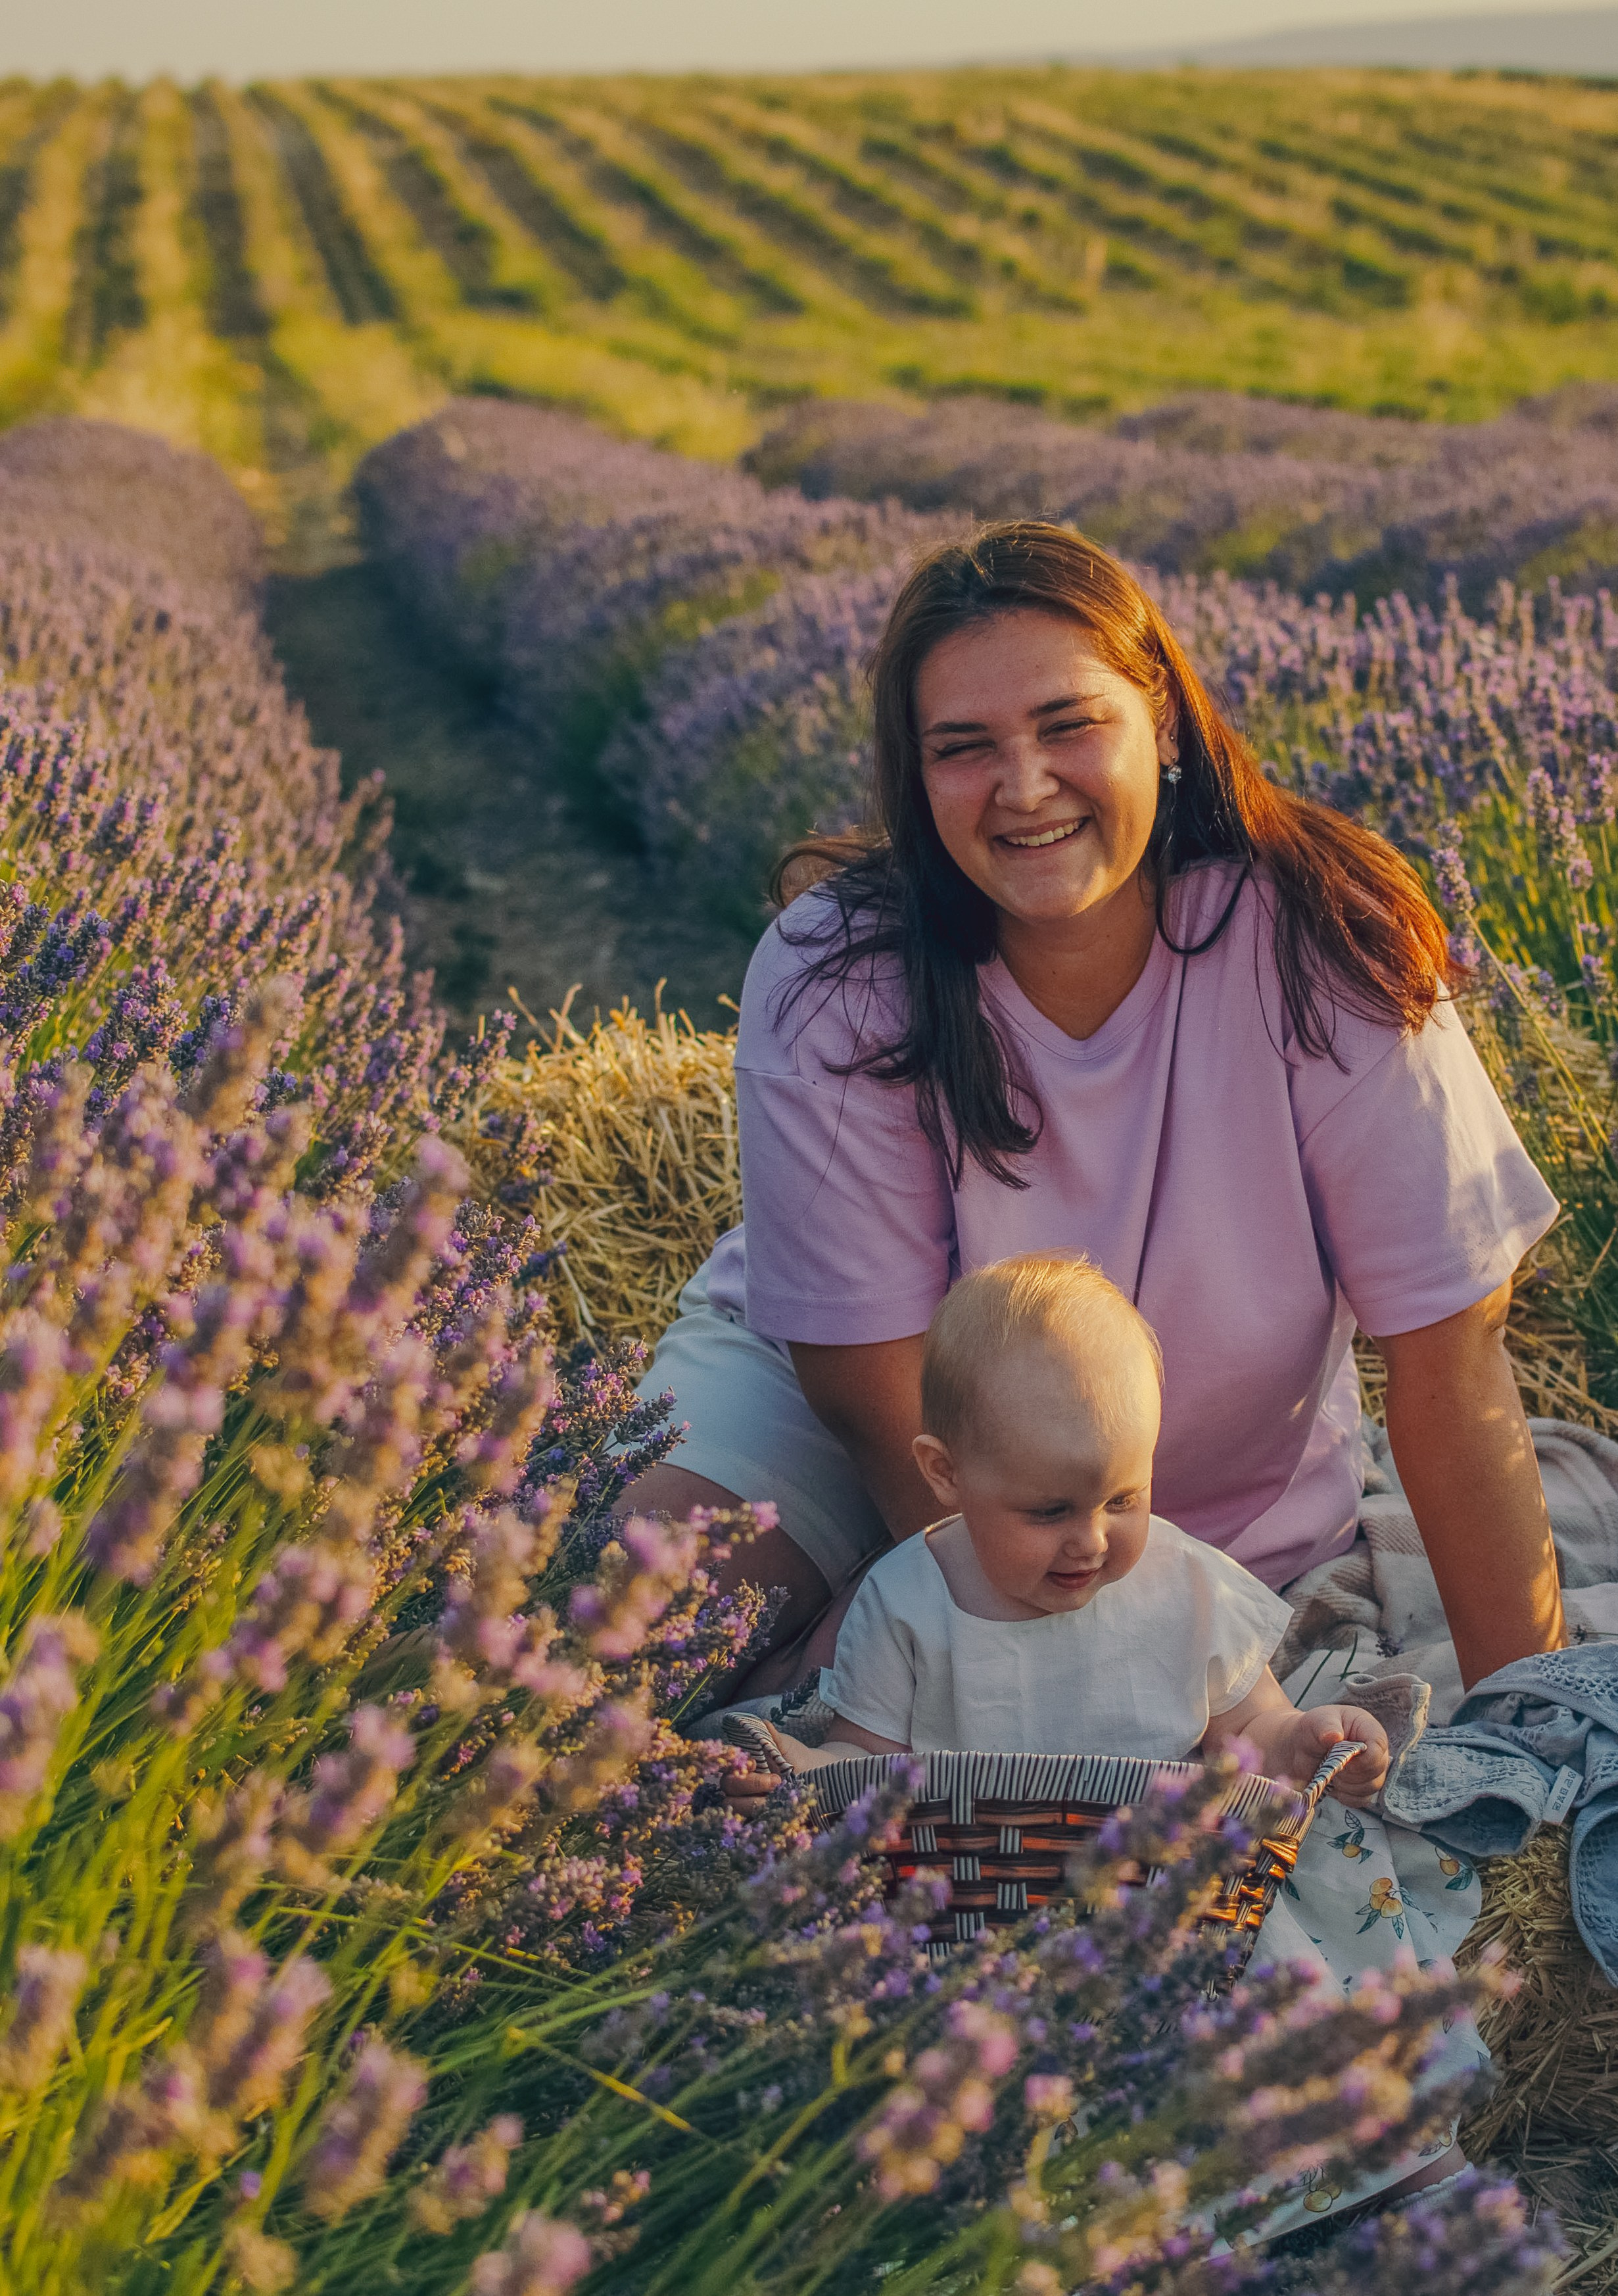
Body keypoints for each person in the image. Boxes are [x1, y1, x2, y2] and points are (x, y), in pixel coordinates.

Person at [621, 520, 1565, 1700]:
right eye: (964, 748)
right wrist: (1001, 1633)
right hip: (856, 1426)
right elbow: (869, 1392)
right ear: (915, 777)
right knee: (613, 1647)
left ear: (1161, 719)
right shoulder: (839, 972)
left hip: (1179, 1485)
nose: (1024, 789)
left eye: (1068, 724)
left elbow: (1448, 1349)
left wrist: (1528, 1714)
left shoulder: (1320, 941)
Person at [725, 1253, 1391, 1802]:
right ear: (945, 1473)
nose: (1092, 1540)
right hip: (969, 1882)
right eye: (1049, 1510)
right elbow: (865, 1759)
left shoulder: (1186, 1583)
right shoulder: (907, 1602)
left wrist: (1303, 1739)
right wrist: (808, 1776)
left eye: (1124, 1497)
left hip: (1152, 1875)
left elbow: (1247, 1730)